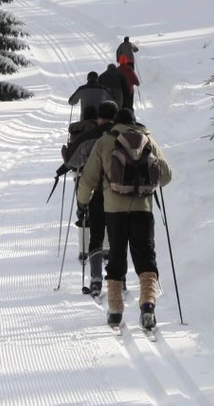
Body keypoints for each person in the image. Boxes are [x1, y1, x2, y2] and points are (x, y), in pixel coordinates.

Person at [76, 107, 173, 331]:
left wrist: (83, 202)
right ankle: (148, 305)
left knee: (117, 256)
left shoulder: (105, 142)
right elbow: (167, 175)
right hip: (143, 208)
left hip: (114, 210)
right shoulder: (147, 139)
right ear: (135, 122)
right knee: (146, 257)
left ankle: (116, 310)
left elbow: (89, 178)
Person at [60, 101, 118, 297]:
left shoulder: (88, 137)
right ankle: (120, 280)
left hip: (96, 191)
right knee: (119, 236)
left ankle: (95, 278)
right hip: (121, 192)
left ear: (98, 118)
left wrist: (82, 201)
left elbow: (72, 161)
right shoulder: (123, 135)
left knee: (96, 233)